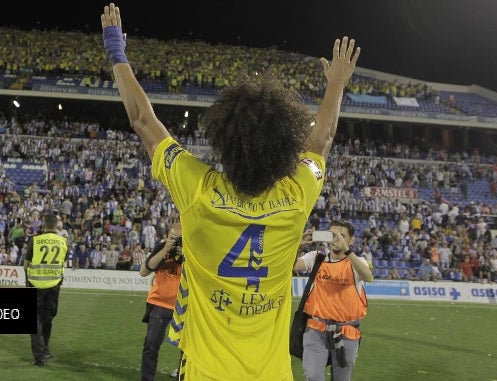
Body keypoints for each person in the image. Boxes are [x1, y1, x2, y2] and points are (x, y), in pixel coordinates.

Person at [100, 4, 360, 379]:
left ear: (224, 141)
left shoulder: (199, 190)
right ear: (285, 147)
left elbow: (143, 120)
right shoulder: (296, 196)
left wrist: (116, 50)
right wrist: (336, 82)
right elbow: (322, 140)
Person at [293, 219, 373, 381]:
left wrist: (348, 251)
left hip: (347, 332)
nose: (335, 239)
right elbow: (292, 266)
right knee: (313, 377)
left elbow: (368, 276)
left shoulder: (357, 262)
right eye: (332, 235)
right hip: (316, 329)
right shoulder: (317, 258)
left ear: (351, 240)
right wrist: (297, 246)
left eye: (341, 236)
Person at [139, 222, 184, 381]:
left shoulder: (192, 251)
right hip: (159, 304)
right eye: (172, 238)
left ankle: (183, 375)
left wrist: (187, 255)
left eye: (179, 239)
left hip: (184, 306)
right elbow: (144, 271)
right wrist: (166, 249)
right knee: (151, 344)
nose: (175, 241)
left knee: (187, 348)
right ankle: (147, 378)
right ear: (167, 236)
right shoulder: (162, 247)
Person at [24, 212, 69, 366]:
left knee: (35, 320)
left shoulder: (35, 240)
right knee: (47, 319)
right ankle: (45, 350)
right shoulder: (63, 242)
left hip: (36, 285)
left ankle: (40, 356)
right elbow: (62, 262)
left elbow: (26, 264)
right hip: (54, 286)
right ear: (57, 225)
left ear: (44, 224)